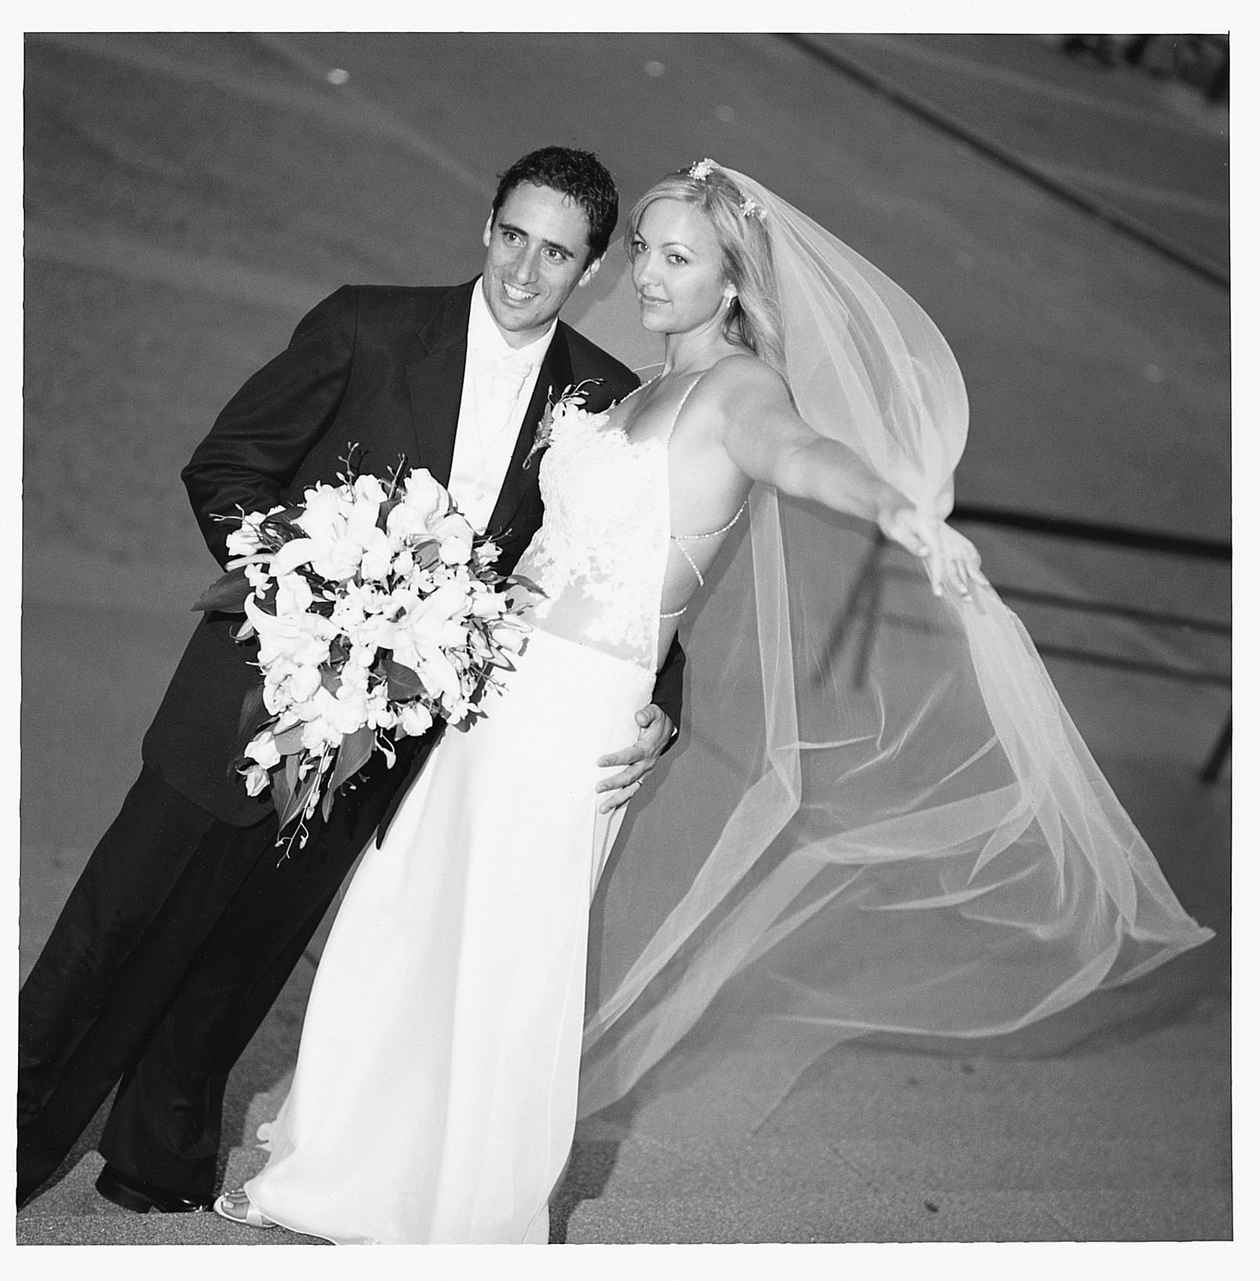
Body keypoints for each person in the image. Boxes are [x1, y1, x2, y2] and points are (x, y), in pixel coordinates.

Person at [207, 158, 1210, 1246]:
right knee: (416, 912)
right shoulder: (642, 387)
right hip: (495, 690)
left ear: (733, 284)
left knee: (504, 954)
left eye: (678, 258)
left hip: (575, 709)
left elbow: (806, 458)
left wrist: (903, 513)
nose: (647, 273)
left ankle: (454, 1216)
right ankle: (348, 1171)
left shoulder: (741, 391)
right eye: (643, 248)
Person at [17, 146, 687, 1214]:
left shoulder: (599, 401)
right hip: (246, 699)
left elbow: (614, 570)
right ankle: (18, 1134)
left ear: (593, 270)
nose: (524, 270)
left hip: (387, 740)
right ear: (486, 228)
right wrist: (311, 586)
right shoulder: (369, 326)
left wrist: (663, 701)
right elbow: (228, 465)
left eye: (557, 253)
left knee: (250, 954)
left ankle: (158, 1154)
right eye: (512, 236)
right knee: (117, 925)